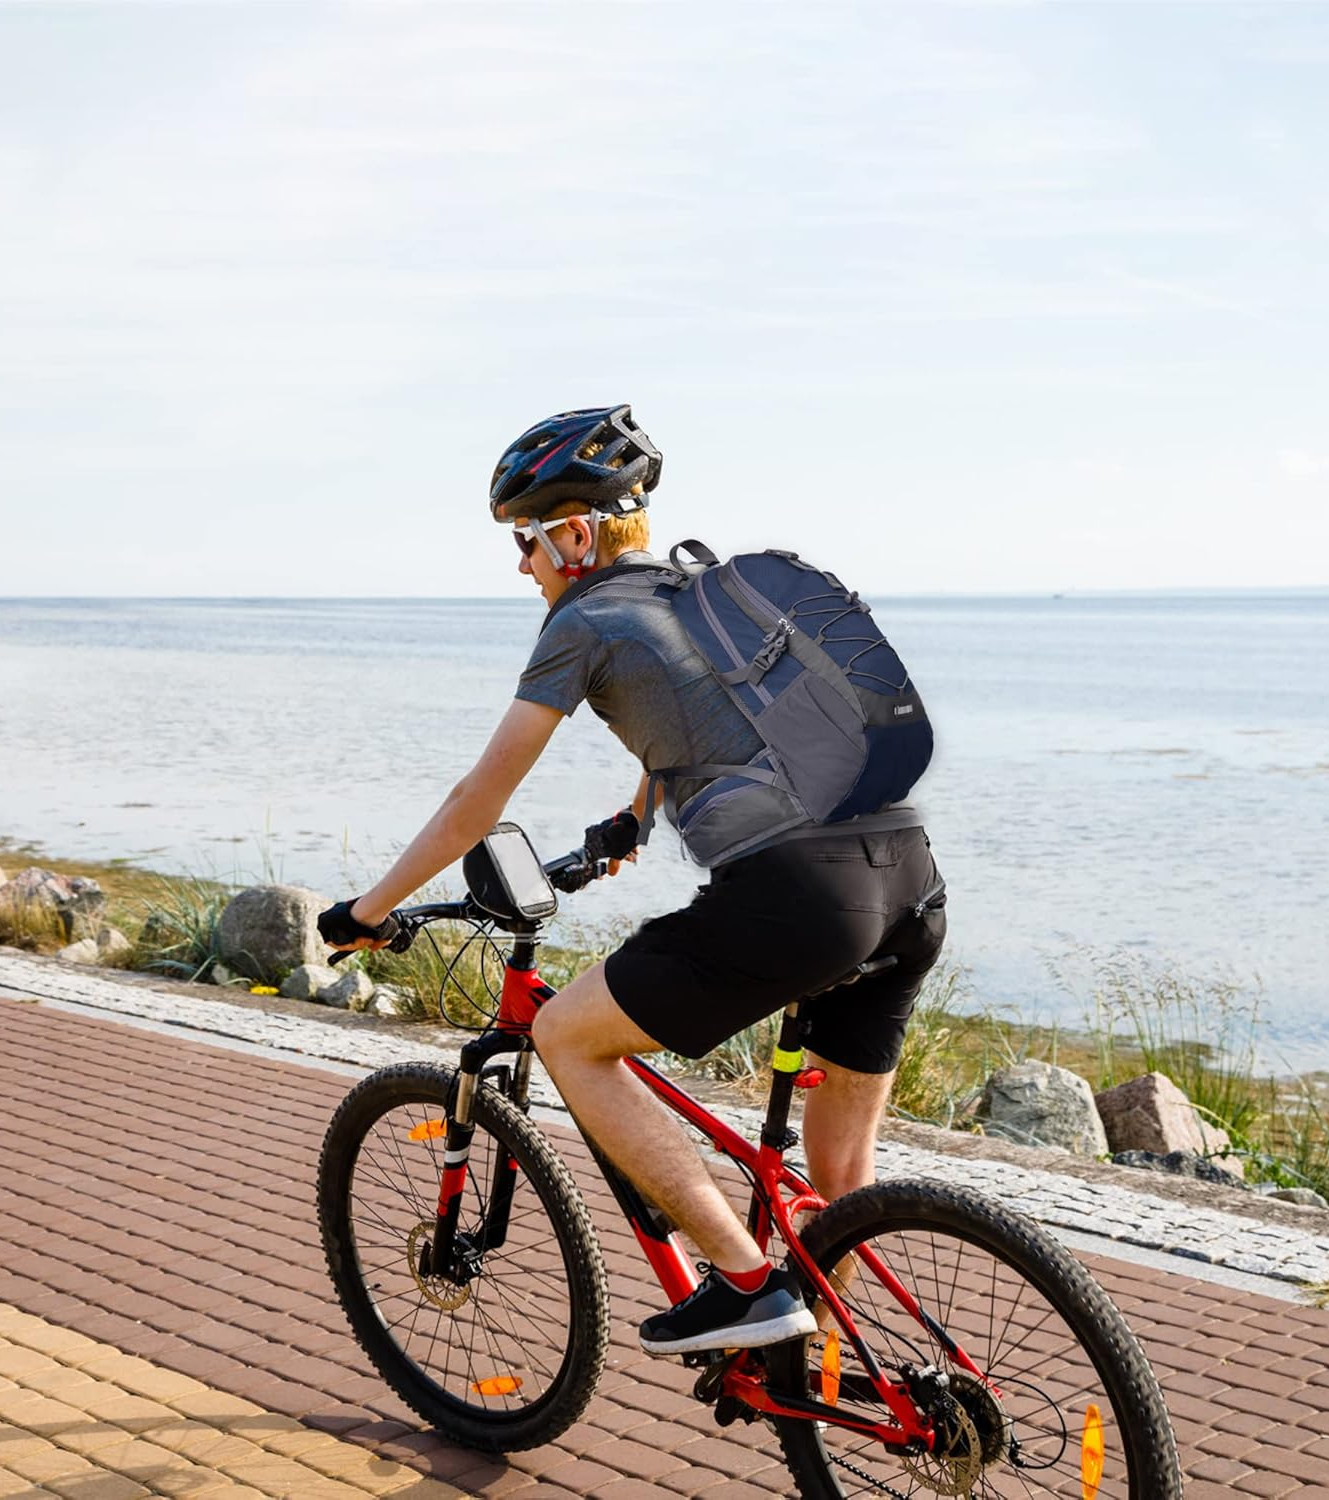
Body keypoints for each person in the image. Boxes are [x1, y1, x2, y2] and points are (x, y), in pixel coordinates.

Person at [319, 405, 946, 1356]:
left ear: (575, 535)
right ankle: (820, 1358)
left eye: (526, 540)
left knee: (567, 1036)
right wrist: (634, 817)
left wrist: (369, 910)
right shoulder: (705, 592)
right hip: (907, 876)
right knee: (840, 1171)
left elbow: (476, 802)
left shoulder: (584, 623)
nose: (520, 564)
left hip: (801, 897)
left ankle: (744, 1286)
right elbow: (716, 721)